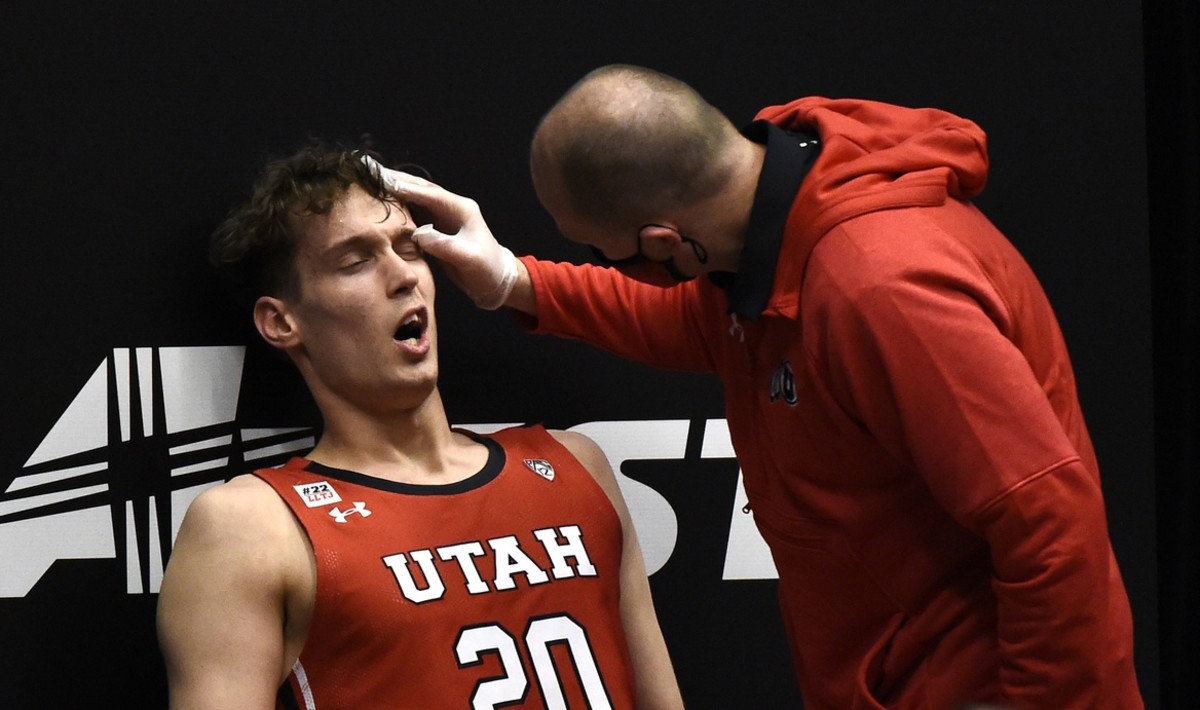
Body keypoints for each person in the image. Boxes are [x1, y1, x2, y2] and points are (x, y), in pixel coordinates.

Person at [375, 64, 1144, 709]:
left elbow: (1050, 522)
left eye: (613, 255)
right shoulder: (766, 230)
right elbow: (687, 320)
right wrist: (511, 280)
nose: (618, 269)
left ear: (666, 243)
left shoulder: (885, 290)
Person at [155, 142, 684, 709]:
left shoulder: (575, 463)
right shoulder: (251, 526)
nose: (402, 276)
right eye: (356, 261)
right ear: (282, 322)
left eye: (410, 248)